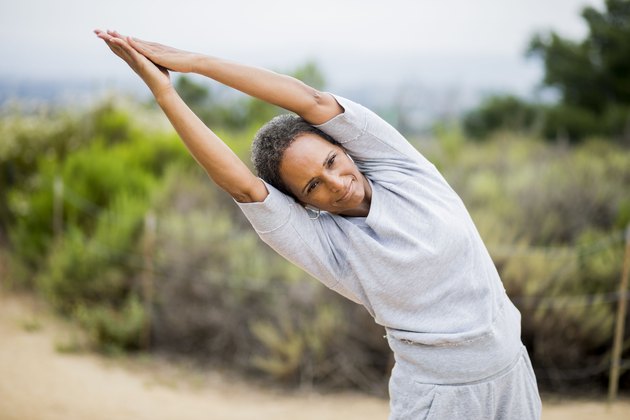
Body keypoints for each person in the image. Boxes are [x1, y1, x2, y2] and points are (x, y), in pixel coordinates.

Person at [94, 29, 542, 419]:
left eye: (331, 161)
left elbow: (308, 100)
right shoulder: (330, 246)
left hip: (513, 375)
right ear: (302, 203)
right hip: (438, 401)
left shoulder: (404, 170)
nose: (336, 182)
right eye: (312, 186)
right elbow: (245, 188)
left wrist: (194, 62)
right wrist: (166, 94)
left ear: (346, 147)